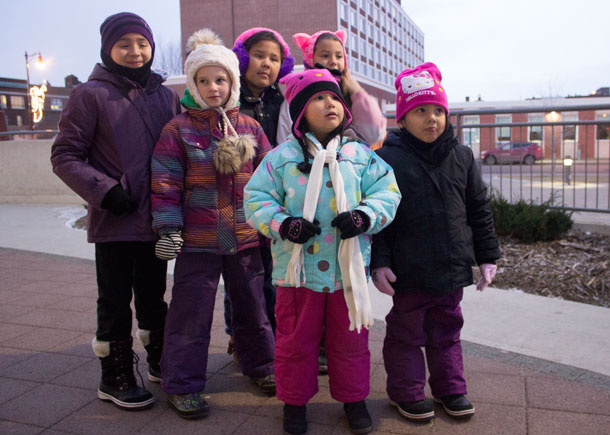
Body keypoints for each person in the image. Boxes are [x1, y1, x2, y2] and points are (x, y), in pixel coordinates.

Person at [244, 68, 401, 435]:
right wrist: (284, 224)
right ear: (299, 112)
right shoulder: (281, 158)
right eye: (317, 98)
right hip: (297, 274)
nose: (329, 103)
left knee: (350, 342)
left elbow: (388, 191)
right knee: (295, 343)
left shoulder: (359, 154)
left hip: (347, 274)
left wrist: (365, 216)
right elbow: (255, 199)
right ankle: (295, 402)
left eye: (333, 97)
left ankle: (353, 398)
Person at [50, 12, 181, 410]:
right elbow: (65, 155)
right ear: (108, 48)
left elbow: (180, 151)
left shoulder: (166, 95)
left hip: (157, 220)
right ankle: (115, 374)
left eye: (142, 43)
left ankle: (160, 358)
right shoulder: (89, 94)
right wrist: (105, 192)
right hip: (115, 220)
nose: (135, 51)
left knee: (153, 295)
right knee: (113, 299)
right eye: (124, 44)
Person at [150, 28, 275, 419]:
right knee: (190, 313)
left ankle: (262, 366)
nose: (213, 87)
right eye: (203, 80)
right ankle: (182, 384)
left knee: (253, 307)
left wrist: (272, 223)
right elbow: (165, 180)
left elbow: (271, 178)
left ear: (232, 81)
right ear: (192, 84)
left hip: (245, 237)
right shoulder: (178, 130)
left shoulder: (250, 129)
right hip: (197, 240)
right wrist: (169, 228)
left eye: (220, 79)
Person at [370, 62, 501, 423]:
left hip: (450, 267)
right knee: (406, 335)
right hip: (407, 270)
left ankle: (450, 388)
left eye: (439, 110)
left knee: (446, 332)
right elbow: (379, 219)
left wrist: (488, 256)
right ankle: (407, 392)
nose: (432, 119)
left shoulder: (461, 156)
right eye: (420, 111)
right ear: (403, 118)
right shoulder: (386, 159)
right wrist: (378, 262)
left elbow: (479, 209)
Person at [220, 28, 294, 356]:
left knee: (270, 273)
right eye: (260, 56)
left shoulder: (283, 100)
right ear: (243, 58)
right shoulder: (229, 100)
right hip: (237, 201)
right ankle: (238, 334)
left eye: (275, 58)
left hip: (276, 200)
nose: (267, 64)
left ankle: (271, 339)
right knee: (241, 275)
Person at [277, 30, 386, 146]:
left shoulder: (351, 93)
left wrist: (358, 92)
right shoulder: (298, 92)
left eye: (339, 56)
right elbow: (284, 139)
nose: (333, 61)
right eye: (325, 55)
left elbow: (374, 134)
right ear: (310, 58)